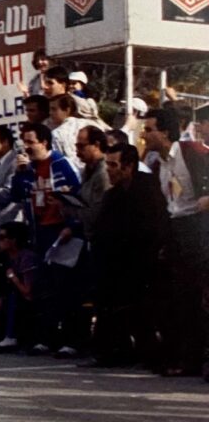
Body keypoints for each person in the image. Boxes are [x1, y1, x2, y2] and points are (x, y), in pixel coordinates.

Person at [86, 144, 168, 368]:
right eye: (107, 165)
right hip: (118, 262)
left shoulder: (148, 188)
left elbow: (155, 227)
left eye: (114, 165)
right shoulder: (113, 195)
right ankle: (115, 350)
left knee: (144, 308)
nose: (109, 170)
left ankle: (150, 353)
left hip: (144, 260)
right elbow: (102, 229)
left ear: (129, 166)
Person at [144, 107, 209, 377]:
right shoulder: (158, 165)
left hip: (200, 229)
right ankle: (188, 358)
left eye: (149, 130)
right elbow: (167, 205)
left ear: (165, 132)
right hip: (177, 231)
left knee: (203, 297)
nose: (144, 135)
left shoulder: (191, 152)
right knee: (183, 299)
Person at [11, 122, 85, 358]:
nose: (27, 147)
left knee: (65, 288)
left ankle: (70, 340)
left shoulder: (61, 165)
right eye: (25, 143)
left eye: (31, 142)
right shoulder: (29, 168)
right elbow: (17, 195)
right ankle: (46, 338)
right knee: (44, 289)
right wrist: (20, 173)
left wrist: (71, 226)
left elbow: (76, 197)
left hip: (60, 233)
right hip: (39, 232)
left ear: (44, 142)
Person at [0, 221, 36, 353]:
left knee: (13, 299)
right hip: (9, 297)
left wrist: (13, 277)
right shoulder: (4, 258)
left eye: (3, 237)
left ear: (13, 240)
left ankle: (12, 337)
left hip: (27, 300)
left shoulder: (26, 257)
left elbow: (28, 291)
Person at [75, 126, 111, 242]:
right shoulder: (88, 169)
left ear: (96, 145)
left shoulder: (104, 173)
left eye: (81, 146)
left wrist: (67, 209)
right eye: (77, 146)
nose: (77, 152)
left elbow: (97, 214)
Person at [50, 94, 88, 167]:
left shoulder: (57, 134)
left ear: (67, 110)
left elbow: (59, 161)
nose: (50, 113)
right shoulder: (87, 123)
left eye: (54, 109)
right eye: (50, 109)